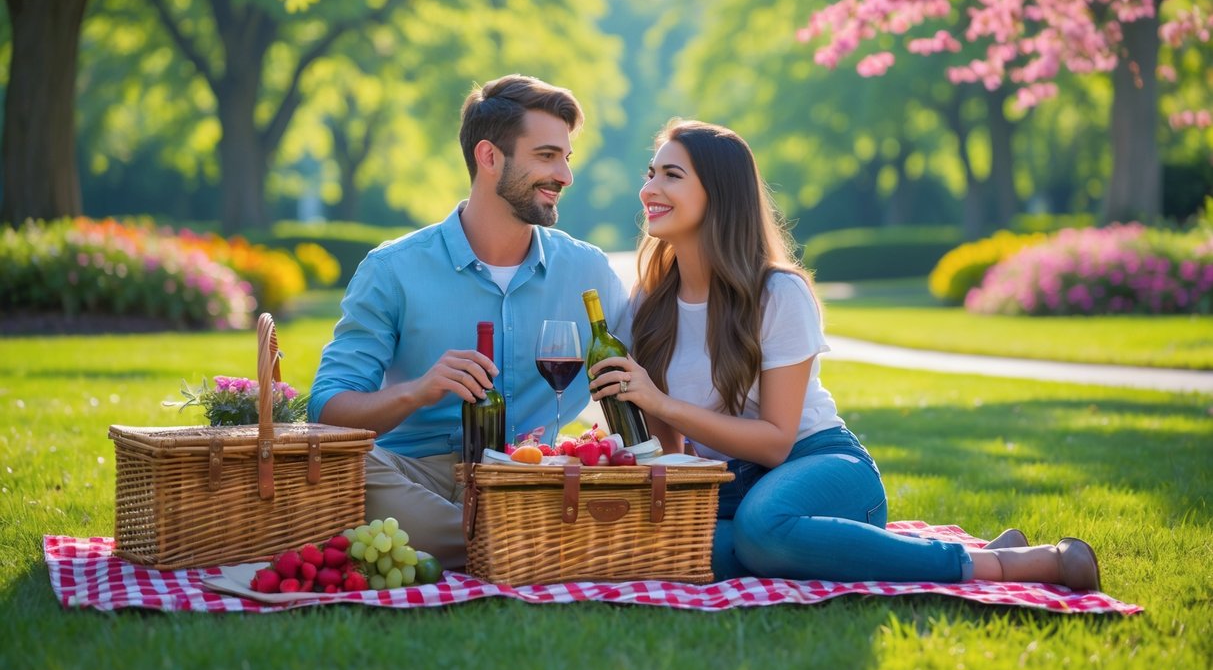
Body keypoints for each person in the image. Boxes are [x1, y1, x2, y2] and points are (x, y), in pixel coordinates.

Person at [588, 119, 1101, 590]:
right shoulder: (649, 306)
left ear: (718, 194)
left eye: (670, 175)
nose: (649, 189)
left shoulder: (777, 294)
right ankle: (900, 553)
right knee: (686, 551)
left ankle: (1008, 566)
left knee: (762, 528)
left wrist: (659, 402)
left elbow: (773, 443)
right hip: (727, 489)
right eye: (650, 173)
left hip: (821, 465)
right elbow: (671, 448)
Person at [309, 74, 628, 569]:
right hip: (415, 478)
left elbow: (640, 379)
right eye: (546, 156)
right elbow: (327, 410)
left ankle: (476, 545)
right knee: (342, 466)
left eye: (567, 158)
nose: (565, 175)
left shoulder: (588, 271)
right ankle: (526, 547)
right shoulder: (393, 269)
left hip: (531, 477)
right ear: (489, 157)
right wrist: (420, 390)